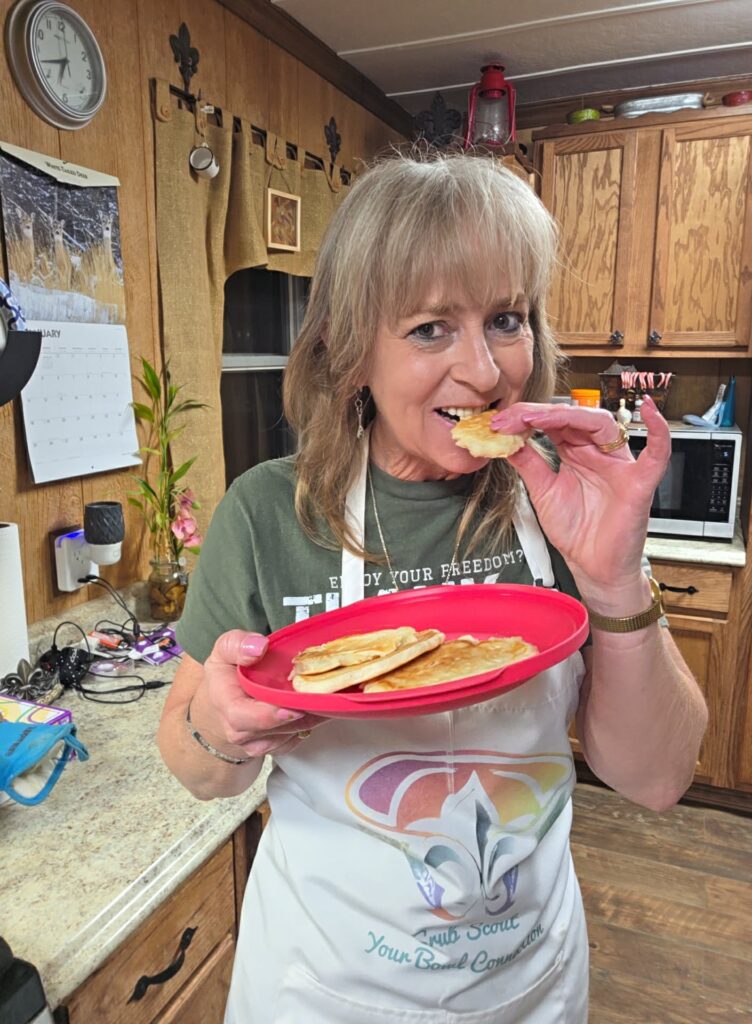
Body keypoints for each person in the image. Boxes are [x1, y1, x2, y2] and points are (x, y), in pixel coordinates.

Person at [158, 152, 708, 1023]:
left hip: (525, 987)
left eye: (506, 319)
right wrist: (218, 727)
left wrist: (613, 576)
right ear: (348, 349)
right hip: (323, 993)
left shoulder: (562, 498)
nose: (487, 373)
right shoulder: (268, 514)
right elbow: (197, 769)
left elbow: (656, 779)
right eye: (429, 329)